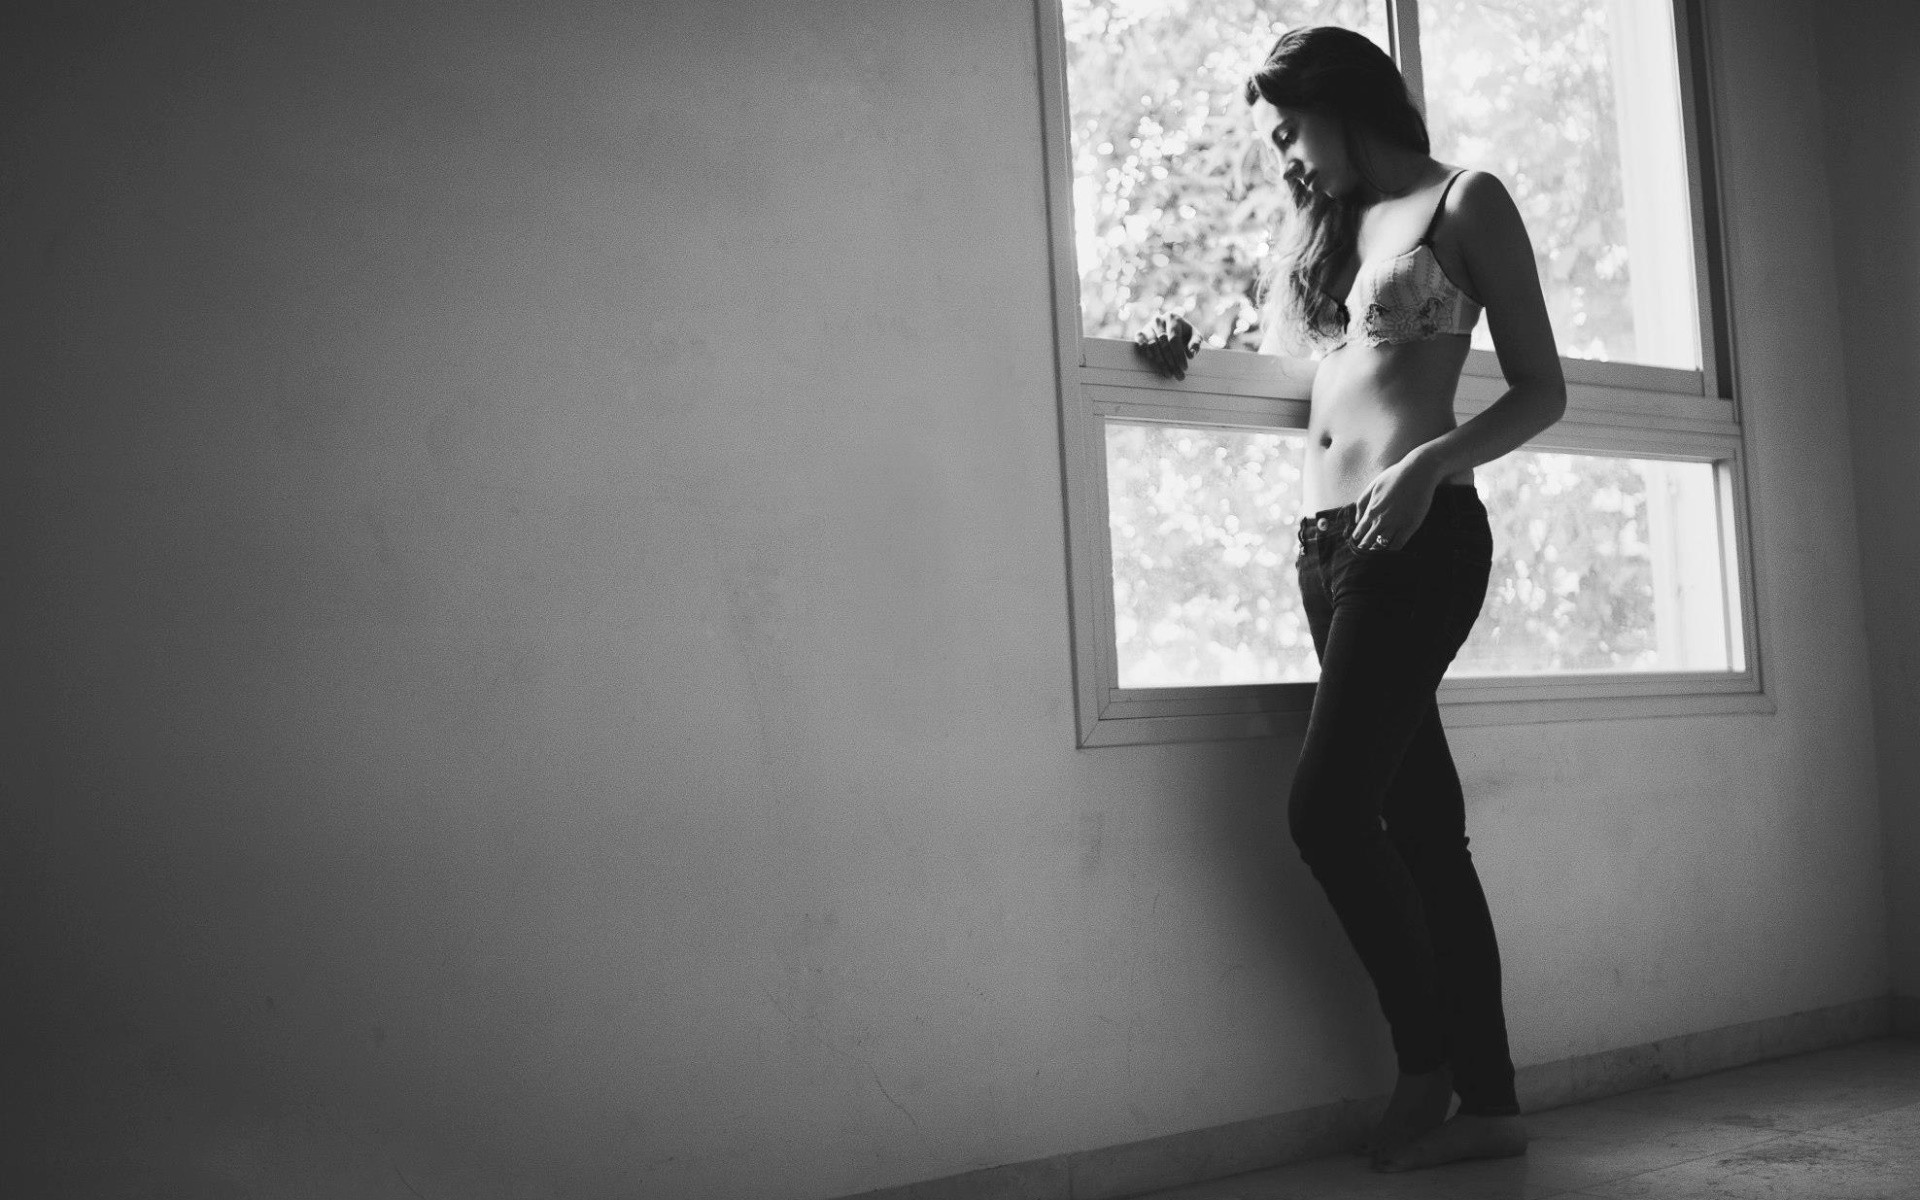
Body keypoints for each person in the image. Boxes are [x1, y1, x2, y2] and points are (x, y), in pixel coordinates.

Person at [1134, 25, 1566, 1173]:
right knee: (1424, 832)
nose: (1284, 154)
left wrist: (1429, 464)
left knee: (1325, 815)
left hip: (1417, 537)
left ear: (1340, 100)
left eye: (1289, 129)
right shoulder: (1340, 228)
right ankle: (1492, 1106)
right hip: (1328, 550)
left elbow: (1543, 390)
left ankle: (1426, 1065)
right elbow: (1325, 364)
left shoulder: (1464, 201)